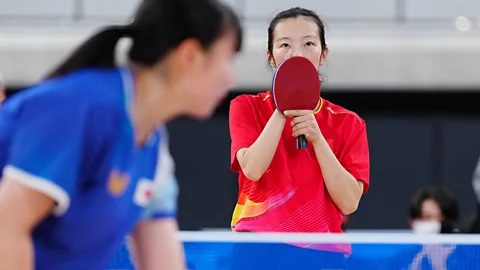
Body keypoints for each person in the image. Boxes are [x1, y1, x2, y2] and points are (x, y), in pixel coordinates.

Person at [0, 0, 242, 269]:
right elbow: (6, 228)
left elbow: (162, 261)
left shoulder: (152, 145)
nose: (230, 78)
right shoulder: (78, 109)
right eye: (228, 59)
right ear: (190, 56)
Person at [228, 7, 369, 269]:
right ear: (270, 57)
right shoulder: (246, 107)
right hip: (257, 249)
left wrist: (318, 139)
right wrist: (283, 110)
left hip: (322, 253)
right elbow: (253, 168)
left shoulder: (349, 123)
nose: (297, 53)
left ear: (323, 54)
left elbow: (349, 203)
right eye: (284, 45)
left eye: (308, 43)